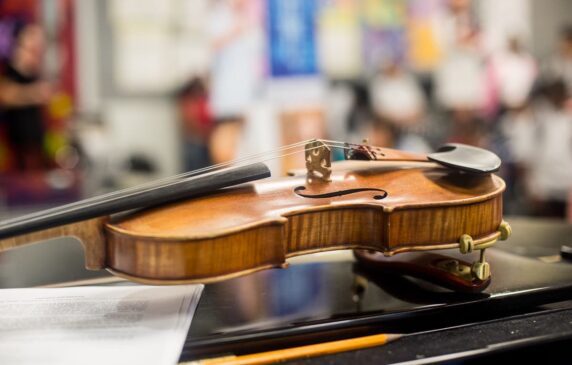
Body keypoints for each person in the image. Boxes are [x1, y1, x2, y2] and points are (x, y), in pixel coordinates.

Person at [0, 21, 51, 171]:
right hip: (17, 147)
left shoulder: (35, 69)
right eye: (33, 36)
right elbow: (5, 95)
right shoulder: (10, 66)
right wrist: (34, 93)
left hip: (35, 143)